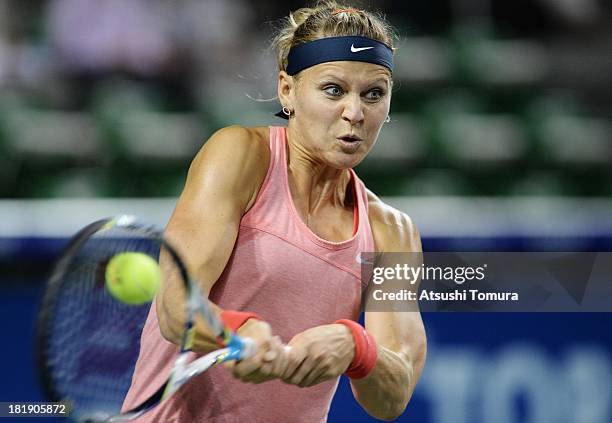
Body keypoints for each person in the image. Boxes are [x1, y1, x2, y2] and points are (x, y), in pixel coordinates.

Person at [122, 1, 427, 421]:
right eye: (333, 90)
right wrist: (236, 331)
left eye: (374, 94)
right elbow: (176, 305)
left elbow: (393, 396)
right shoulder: (239, 155)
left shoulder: (393, 232)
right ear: (288, 90)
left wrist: (357, 347)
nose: (355, 113)